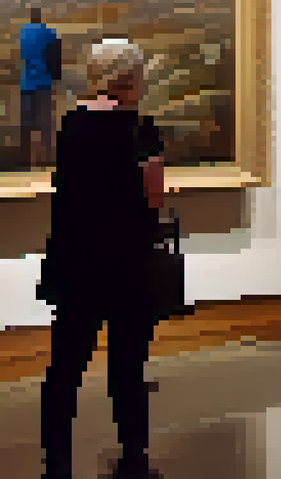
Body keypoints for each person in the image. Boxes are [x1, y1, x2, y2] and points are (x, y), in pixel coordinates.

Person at [37, 39, 166, 479]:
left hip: (77, 259)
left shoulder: (72, 124)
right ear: (127, 77)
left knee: (65, 365)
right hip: (126, 261)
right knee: (128, 365)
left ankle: (55, 459)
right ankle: (133, 454)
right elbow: (153, 195)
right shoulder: (139, 128)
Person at [18, 6, 62, 169]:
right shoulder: (49, 33)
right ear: (41, 17)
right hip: (44, 83)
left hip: (26, 83)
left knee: (26, 125)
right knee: (46, 125)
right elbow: (56, 57)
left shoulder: (23, 33)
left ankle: (27, 161)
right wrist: (56, 78)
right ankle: (47, 161)